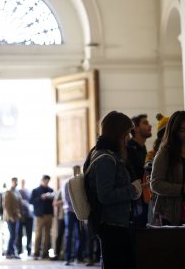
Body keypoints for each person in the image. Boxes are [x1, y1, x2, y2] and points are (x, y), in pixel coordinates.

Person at [83, 111, 142, 269]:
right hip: (111, 226)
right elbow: (105, 195)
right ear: (118, 133)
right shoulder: (105, 158)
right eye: (127, 133)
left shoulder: (105, 154)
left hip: (115, 224)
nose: (128, 138)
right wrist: (132, 189)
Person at [126, 113, 152, 226]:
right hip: (135, 200)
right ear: (136, 128)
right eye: (145, 123)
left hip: (143, 196)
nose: (150, 126)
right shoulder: (129, 148)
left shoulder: (143, 147)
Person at [62, 165, 85, 265]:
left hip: (79, 211)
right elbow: (67, 199)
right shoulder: (67, 183)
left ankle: (78, 257)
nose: (78, 172)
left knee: (80, 234)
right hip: (70, 212)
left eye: (79, 170)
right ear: (74, 171)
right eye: (77, 170)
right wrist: (77, 204)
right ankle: (67, 258)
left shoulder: (81, 182)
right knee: (69, 235)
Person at [30, 175, 54, 260]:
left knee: (47, 235)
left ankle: (44, 253)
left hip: (49, 215)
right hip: (39, 216)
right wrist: (41, 198)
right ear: (42, 180)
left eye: (47, 180)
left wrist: (50, 197)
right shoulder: (35, 190)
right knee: (38, 234)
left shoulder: (51, 190)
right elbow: (31, 201)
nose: (46, 182)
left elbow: (53, 201)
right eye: (45, 180)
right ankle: (36, 253)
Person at [3, 177, 22, 259]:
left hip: (16, 216)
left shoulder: (16, 192)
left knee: (14, 235)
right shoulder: (8, 192)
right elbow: (6, 206)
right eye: (14, 181)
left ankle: (12, 252)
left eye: (17, 181)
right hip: (10, 217)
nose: (16, 183)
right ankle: (9, 252)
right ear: (11, 182)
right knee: (12, 235)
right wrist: (11, 216)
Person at [17, 179, 33, 256]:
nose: (22, 183)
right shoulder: (17, 192)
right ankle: (19, 250)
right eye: (21, 182)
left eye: (23, 182)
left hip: (29, 216)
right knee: (19, 234)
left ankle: (29, 249)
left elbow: (31, 202)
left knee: (29, 234)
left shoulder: (28, 192)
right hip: (20, 217)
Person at [49, 184, 65, 261]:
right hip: (61, 217)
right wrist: (63, 201)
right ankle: (57, 254)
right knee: (60, 235)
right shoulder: (60, 191)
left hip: (72, 216)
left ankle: (67, 254)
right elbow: (54, 203)